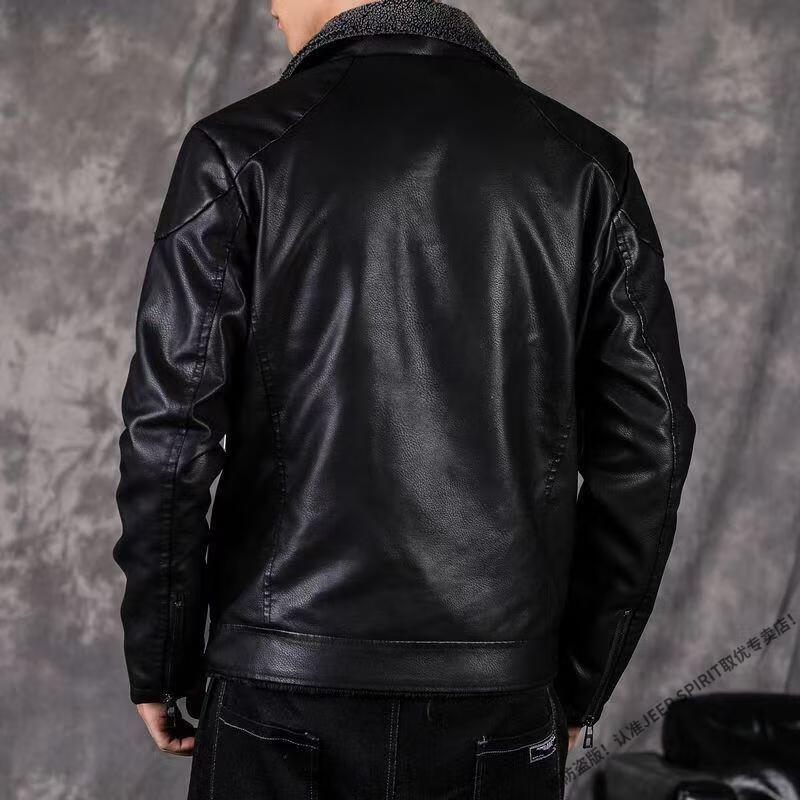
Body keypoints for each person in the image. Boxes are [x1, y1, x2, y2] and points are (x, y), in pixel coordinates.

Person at [112, 0, 697, 797]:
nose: (271, 8)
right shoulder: (586, 164)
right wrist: (578, 678)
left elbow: (171, 436)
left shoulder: (239, 150)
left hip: (280, 683)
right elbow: (651, 447)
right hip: (498, 692)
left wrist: (162, 658)